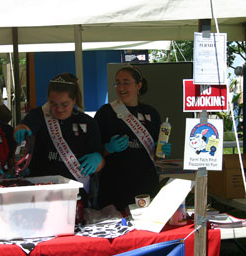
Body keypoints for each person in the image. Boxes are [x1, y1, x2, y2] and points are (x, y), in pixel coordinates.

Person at [13, 72, 105, 206]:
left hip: (76, 196)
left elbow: (101, 162)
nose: (59, 109)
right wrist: (20, 130)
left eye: (64, 104)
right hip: (41, 194)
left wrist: (97, 160)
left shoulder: (88, 123)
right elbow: (22, 126)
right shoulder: (39, 116)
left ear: (74, 100)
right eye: (53, 104)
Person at [94, 65, 171, 211]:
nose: (121, 87)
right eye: (118, 82)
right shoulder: (105, 113)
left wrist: (162, 151)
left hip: (146, 184)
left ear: (138, 85)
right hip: (114, 186)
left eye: (126, 82)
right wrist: (108, 148)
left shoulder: (151, 113)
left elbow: (157, 156)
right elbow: (95, 152)